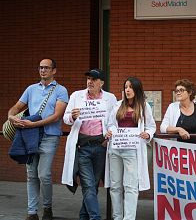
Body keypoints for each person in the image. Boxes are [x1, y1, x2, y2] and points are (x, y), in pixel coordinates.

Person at [7, 58, 69, 220]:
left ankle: (47, 208)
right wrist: (11, 116)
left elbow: (57, 116)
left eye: (47, 68)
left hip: (49, 136)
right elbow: (17, 106)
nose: (43, 71)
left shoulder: (61, 90)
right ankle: (32, 212)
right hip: (30, 136)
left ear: (54, 71)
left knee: (44, 175)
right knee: (31, 174)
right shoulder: (31, 89)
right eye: (41, 68)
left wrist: (33, 124)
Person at [61, 69, 117, 220]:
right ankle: (95, 217)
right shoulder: (76, 95)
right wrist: (72, 116)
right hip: (82, 147)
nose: (90, 82)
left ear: (102, 83)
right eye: (88, 79)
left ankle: (83, 216)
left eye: (94, 79)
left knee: (93, 185)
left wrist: (109, 135)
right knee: (88, 184)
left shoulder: (110, 98)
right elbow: (66, 118)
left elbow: (113, 121)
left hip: (101, 146)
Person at [105, 77, 156, 220]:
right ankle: (117, 217)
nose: (127, 90)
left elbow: (151, 126)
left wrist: (148, 134)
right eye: (126, 87)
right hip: (115, 148)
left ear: (137, 89)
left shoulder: (144, 106)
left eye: (131, 87)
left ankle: (128, 218)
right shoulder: (117, 105)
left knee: (130, 186)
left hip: (132, 151)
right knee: (115, 186)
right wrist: (109, 131)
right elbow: (110, 124)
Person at [160, 79, 196, 144]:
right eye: (176, 91)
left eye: (181, 90)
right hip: (178, 150)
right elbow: (163, 128)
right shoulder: (172, 107)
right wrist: (178, 129)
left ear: (190, 92)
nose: (178, 93)